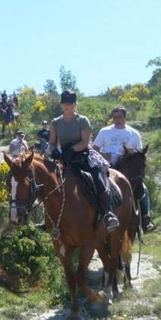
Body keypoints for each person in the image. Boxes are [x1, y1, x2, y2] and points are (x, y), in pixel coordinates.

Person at [47, 90, 120, 233]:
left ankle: (108, 214)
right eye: (65, 103)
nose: (67, 105)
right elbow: (52, 143)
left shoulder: (82, 120)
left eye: (70, 103)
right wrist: (53, 150)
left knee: (98, 178)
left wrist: (72, 149)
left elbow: (85, 142)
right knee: (48, 181)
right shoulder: (55, 123)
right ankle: (48, 219)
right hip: (64, 158)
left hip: (83, 156)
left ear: (75, 104)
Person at [93, 106, 155, 232]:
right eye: (115, 117)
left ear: (125, 117)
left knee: (142, 187)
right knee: (96, 186)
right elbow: (95, 149)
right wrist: (104, 155)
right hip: (108, 167)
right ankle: (96, 216)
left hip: (128, 170)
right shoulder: (105, 131)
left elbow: (139, 152)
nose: (117, 119)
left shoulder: (133, 133)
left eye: (120, 117)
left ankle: (146, 218)